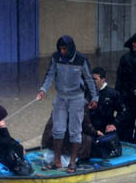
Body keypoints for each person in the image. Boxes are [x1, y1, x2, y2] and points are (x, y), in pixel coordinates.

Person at [36, 36, 98, 173]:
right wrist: (43, 90)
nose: (62, 52)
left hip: (76, 98)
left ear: (70, 48)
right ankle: (57, 161)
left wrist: (95, 97)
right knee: (58, 129)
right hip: (61, 97)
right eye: (60, 49)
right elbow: (50, 75)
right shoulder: (55, 57)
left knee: (75, 130)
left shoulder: (81, 60)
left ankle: (72, 162)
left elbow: (89, 79)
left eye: (64, 49)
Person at [41, 100, 99, 165]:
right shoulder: (82, 103)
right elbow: (86, 126)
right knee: (86, 138)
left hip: (51, 135)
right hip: (66, 138)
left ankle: (56, 158)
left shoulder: (59, 98)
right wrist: (96, 132)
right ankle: (70, 161)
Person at [89, 67, 126, 135]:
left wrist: (114, 124)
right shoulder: (87, 93)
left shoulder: (113, 94)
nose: (92, 82)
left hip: (106, 130)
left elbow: (122, 110)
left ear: (103, 80)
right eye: (91, 79)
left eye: (95, 79)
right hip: (91, 130)